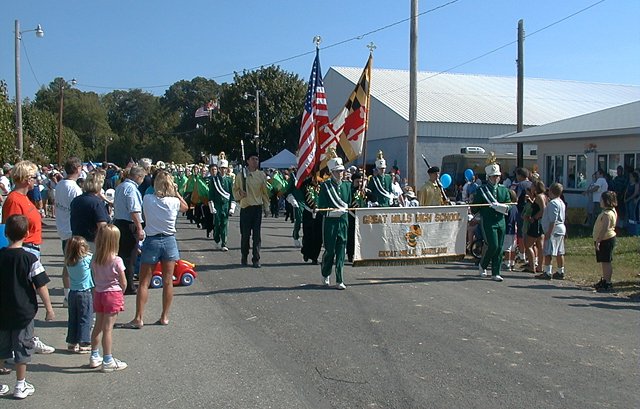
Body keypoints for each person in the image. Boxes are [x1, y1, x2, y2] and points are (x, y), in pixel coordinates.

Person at [1, 161, 55, 355]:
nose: (36, 180)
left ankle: (27, 337)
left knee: (28, 297)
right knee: (25, 297)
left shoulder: (24, 198)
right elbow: (13, 228)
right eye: (33, 177)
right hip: (25, 249)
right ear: (25, 179)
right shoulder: (15, 200)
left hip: (32, 247)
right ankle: (24, 340)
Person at [124, 172, 188, 329]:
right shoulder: (174, 201)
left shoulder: (148, 199)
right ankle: (164, 316)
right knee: (168, 281)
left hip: (152, 239)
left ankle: (139, 317)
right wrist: (176, 191)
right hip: (169, 239)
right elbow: (185, 207)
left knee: (144, 282)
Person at [0, 215, 54, 399]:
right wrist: (49, 308)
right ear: (27, 233)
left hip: (2, 311)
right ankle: (20, 384)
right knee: (22, 347)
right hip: (23, 311)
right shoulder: (30, 259)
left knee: (2, 347)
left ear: (6, 233)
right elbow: (41, 285)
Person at [90, 224, 127, 372]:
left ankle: (94, 355)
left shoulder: (95, 259)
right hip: (113, 293)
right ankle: (108, 359)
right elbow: (124, 282)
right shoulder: (117, 260)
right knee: (108, 329)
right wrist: (121, 292)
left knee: (98, 326)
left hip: (99, 293)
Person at [472, 156, 512, 282]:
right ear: (488, 177)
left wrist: (502, 206)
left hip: (501, 221)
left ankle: (496, 272)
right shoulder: (482, 190)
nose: (496, 178)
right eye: (493, 176)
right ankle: (483, 265)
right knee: (493, 245)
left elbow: (509, 205)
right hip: (488, 221)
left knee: (500, 247)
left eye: (497, 176)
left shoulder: (504, 190)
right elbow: (475, 208)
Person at [318, 154, 352, 289]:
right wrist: (331, 212)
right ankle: (326, 272)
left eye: (342, 171)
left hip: (343, 222)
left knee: (341, 250)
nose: (340, 173)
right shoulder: (325, 186)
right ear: (332, 172)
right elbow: (321, 206)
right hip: (330, 223)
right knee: (330, 250)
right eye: (337, 171)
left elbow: (348, 203)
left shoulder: (347, 186)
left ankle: (340, 279)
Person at [232, 152, 270, 268]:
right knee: (245, 235)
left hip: (257, 208)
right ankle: (244, 256)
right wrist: (240, 194)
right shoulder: (240, 175)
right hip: (245, 207)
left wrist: (266, 207)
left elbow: (265, 193)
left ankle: (256, 259)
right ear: (248, 161)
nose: (255, 161)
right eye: (253, 159)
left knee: (257, 236)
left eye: (257, 159)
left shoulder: (261, 175)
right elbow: (235, 190)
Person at [113, 165, 146, 295]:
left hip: (119, 222)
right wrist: (139, 228)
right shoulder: (132, 189)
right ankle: (128, 285)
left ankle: (121, 282)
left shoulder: (121, 186)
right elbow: (134, 210)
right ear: (138, 177)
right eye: (142, 178)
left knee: (121, 254)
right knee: (130, 258)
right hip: (128, 224)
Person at [55, 157, 84, 306]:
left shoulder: (60, 185)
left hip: (62, 228)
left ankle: (67, 295)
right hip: (71, 229)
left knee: (68, 264)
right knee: (74, 265)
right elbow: (79, 208)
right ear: (78, 169)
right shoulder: (74, 188)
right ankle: (69, 296)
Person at [64, 236, 94, 353]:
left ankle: (72, 342)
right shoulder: (86, 259)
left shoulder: (69, 261)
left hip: (73, 293)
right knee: (85, 318)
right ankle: (84, 342)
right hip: (84, 292)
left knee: (73, 318)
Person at [70, 170, 110, 251]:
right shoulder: (96, 203)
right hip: (92, 243)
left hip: (76, 241)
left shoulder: (76, 200)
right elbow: (102, 227)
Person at [536, 183, 567, 280]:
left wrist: (549, 232)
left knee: (548, 251)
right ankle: (560, 271)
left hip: (554, 229)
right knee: (559, 251)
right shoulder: (561, 202)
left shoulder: (553, 203)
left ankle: (547, 271)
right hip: (560, 228)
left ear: (551, 192)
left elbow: (553, 219)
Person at [592, 192, 618, 292]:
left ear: (606, 201)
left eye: (601, 200)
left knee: (606, 261)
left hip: (606, 239)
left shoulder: (608, 214)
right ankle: (605, 279)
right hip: (604, 238)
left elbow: (605, 229)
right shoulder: (610, 211)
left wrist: (599, 240)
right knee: (603, 261)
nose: (600, 202)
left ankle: (608, 282)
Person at [209, 153, 235, 251]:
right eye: (222, 168)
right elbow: (211, 194)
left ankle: (224, 243)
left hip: (226, 205)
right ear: (219, 169)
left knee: (224, 224)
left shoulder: (229, 180)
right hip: (217, 204)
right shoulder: (214, 180)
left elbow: (231, 194)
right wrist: (212, 206)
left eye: (225, 168)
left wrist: (232, 207)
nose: (223, 170)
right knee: (217, 223)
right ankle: (216, 239)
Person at [524, 180, 547, 273]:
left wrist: (534, 218)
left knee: (528, 244)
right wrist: (530, 200)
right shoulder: (544, 196)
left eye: (533, 186)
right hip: (541, 223)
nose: (531, 188)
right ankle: (540, 266)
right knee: (540, 245)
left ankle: (532, 266)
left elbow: (543, 209)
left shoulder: (539, 196)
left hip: (536, 223)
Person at [300, 176, 323, 265]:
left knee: (318, 236)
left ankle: (315, 257)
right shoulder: (306, 185)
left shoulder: (322, 185)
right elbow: (301, 186)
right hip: (308, 212)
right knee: (308, 234)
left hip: (319, 213)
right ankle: (306, 252)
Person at [347, 173, 367, 262]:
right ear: (353, 181)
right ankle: (350, 254)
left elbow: (372, 198)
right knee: (351, 237)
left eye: (360, 181)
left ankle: (359, 254)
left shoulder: (363, 190)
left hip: (361, 216)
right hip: (351, 215)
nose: (359, 183)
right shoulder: (349, 190)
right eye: (357, 182)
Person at [285, 169, 304, 248]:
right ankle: (296, 236)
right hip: (298, 202)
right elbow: (287, 191)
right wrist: (292, 200)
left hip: (308, 202)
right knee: (298, 220)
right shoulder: (294, 177)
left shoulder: (310, 175)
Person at [502, 190, 519, 271]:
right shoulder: (515, 207)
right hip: (514, 229)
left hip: (508, 228)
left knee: (507, 247)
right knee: (513, 247)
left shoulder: (508, 207)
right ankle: (512, 262)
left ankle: (507, 263)